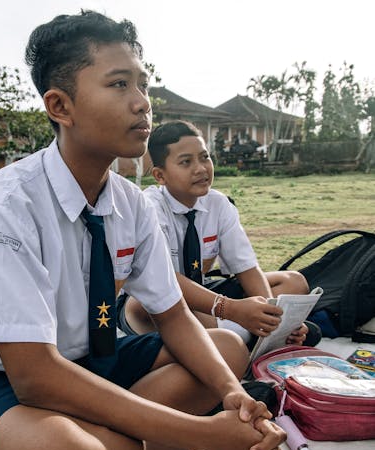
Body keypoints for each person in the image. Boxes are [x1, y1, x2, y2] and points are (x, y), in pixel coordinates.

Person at [0, 11, 285, 450]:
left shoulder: (129, 204)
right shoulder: (5, 206)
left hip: (94, 360)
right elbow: (35, 378)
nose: (142, 101)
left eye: (141, 84)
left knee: (225, 348)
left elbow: (172, 315)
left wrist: (231, 395)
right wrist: (204, 436)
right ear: (60, 107)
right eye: (119, 85)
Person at [117, 120, 319, 346]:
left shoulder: (219, 204)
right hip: (156, 300)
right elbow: (163, 280)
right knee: (151, 304)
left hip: (201, 292)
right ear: (159, 176)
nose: (201, 168)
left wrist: (272, 312)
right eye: (186, 162)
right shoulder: (150, 208)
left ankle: (251, 332)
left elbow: (247, 269)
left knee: (293, 282)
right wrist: (230, 309)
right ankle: (243, 335)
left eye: (205, 157)